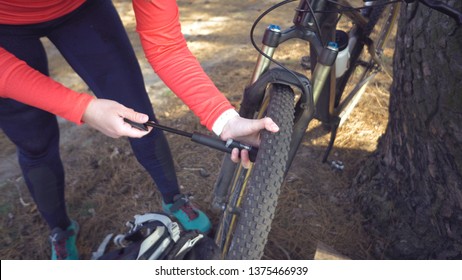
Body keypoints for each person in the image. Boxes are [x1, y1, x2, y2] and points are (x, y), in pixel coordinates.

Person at [0, 0, 279, 260]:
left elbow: (166, 45)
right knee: (34, 140)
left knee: (138, 114)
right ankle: (60, 229)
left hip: (82, 11)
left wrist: (224, 120)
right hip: (5, 27)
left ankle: (173, 198)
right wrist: (82, 107)